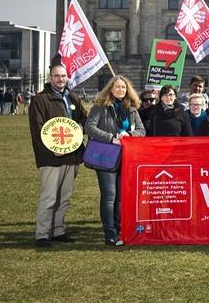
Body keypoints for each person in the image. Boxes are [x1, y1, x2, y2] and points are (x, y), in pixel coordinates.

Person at [28, 64, 88, 247]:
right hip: (51, 158)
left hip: (72, 156)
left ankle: (58, 230)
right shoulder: (40, 100)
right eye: (56, 76)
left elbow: (84, 119)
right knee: (49, 197)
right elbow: (37, 130)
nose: (60, 79)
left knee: (64, 196)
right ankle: (42, 234)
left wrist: (80, 126)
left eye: (63, 76)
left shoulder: (73, 97)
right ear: (50, 77)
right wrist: (50, 150)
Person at [84, 75, 145, 246]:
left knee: (120, 197)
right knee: (109, 196)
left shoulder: (132, 109)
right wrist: (112, 138)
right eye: (117, 87)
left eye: (123, 87)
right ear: (110, 88)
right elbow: (90, 127)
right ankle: (109, 233)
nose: (120, 90)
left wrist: (130, 135)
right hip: (106, 156)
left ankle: (119, 230)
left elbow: (142, 130)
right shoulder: (101, 106)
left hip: (126, 157)